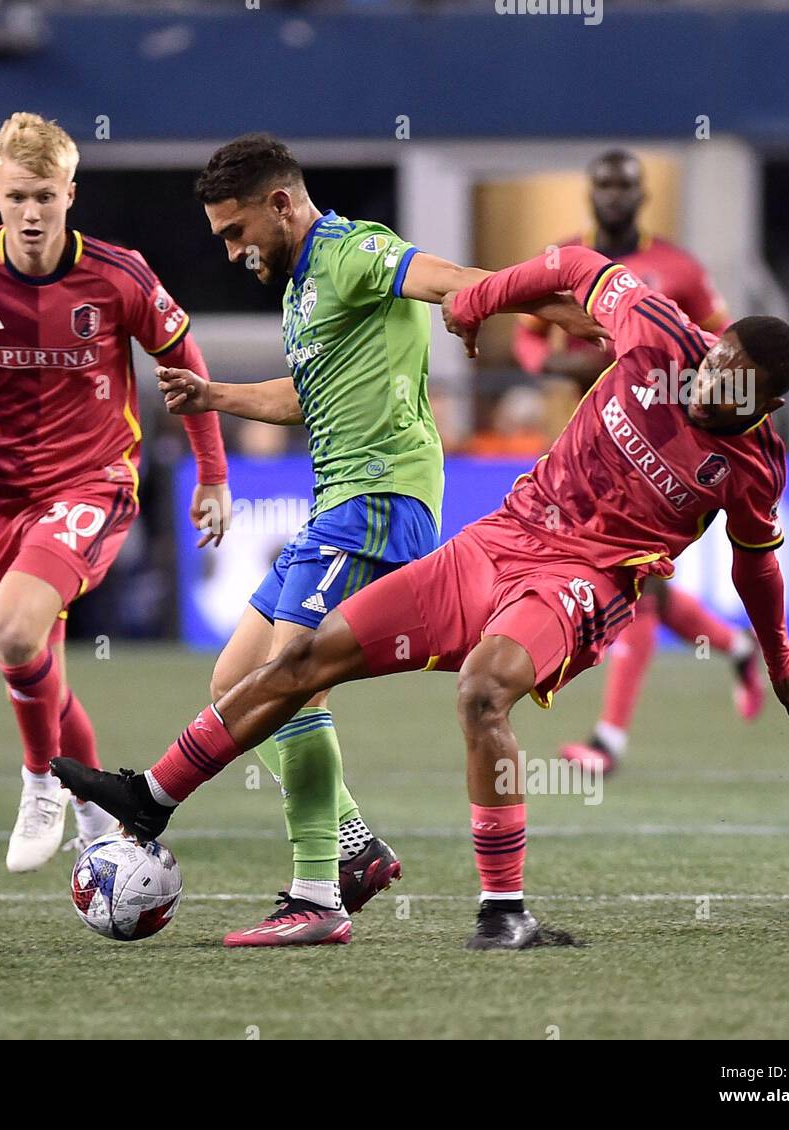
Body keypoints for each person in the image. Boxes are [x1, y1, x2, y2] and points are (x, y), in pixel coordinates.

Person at [53, 244, 789, 951]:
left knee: (483, 690)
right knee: (304, 656)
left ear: (768, 405)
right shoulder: (663, 334)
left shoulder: (755, 468)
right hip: (500, 540)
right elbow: (570, 265)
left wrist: (781, 657)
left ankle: (504, 913)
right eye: (714, 362)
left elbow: (754, 567)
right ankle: (152, 796)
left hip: (580, 583)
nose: (707, 386)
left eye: (732, 389)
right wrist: (481, 296)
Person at [150, 133, 603, 946]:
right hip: (338, 500)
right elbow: (306, 397)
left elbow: (457, 282)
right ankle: (353, 850)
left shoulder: (355, 250)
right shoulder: (300, 292)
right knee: (234, 681)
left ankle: (316, 897)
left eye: (235, 231)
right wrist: (214, 394)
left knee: (288, 681)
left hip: (381, 496)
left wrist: (574, 312)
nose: (231, 252)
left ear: (281, 204)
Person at [0, 113, 231, 873]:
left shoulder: (118, 275)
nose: (31, 214)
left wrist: (214, 475)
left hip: (93, 481)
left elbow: (184, 367)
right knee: (39, 667)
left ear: (71, 193)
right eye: (15, 198)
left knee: (11, 631)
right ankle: (97, 809)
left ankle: (40, 782)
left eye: (46, 196)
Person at [515, 148, 762, 774]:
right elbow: (527, 330)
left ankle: (609, 743)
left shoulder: (677, 267)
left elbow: (724, 341)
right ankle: (734, 647)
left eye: (625, 186)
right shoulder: (568, 254)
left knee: (636, 584)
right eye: (604, 185)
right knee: (637, 581)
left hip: (654, 445)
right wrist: (543, 364)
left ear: (642, 194)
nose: (615, 196)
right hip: (585, 439)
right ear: (590, 192)